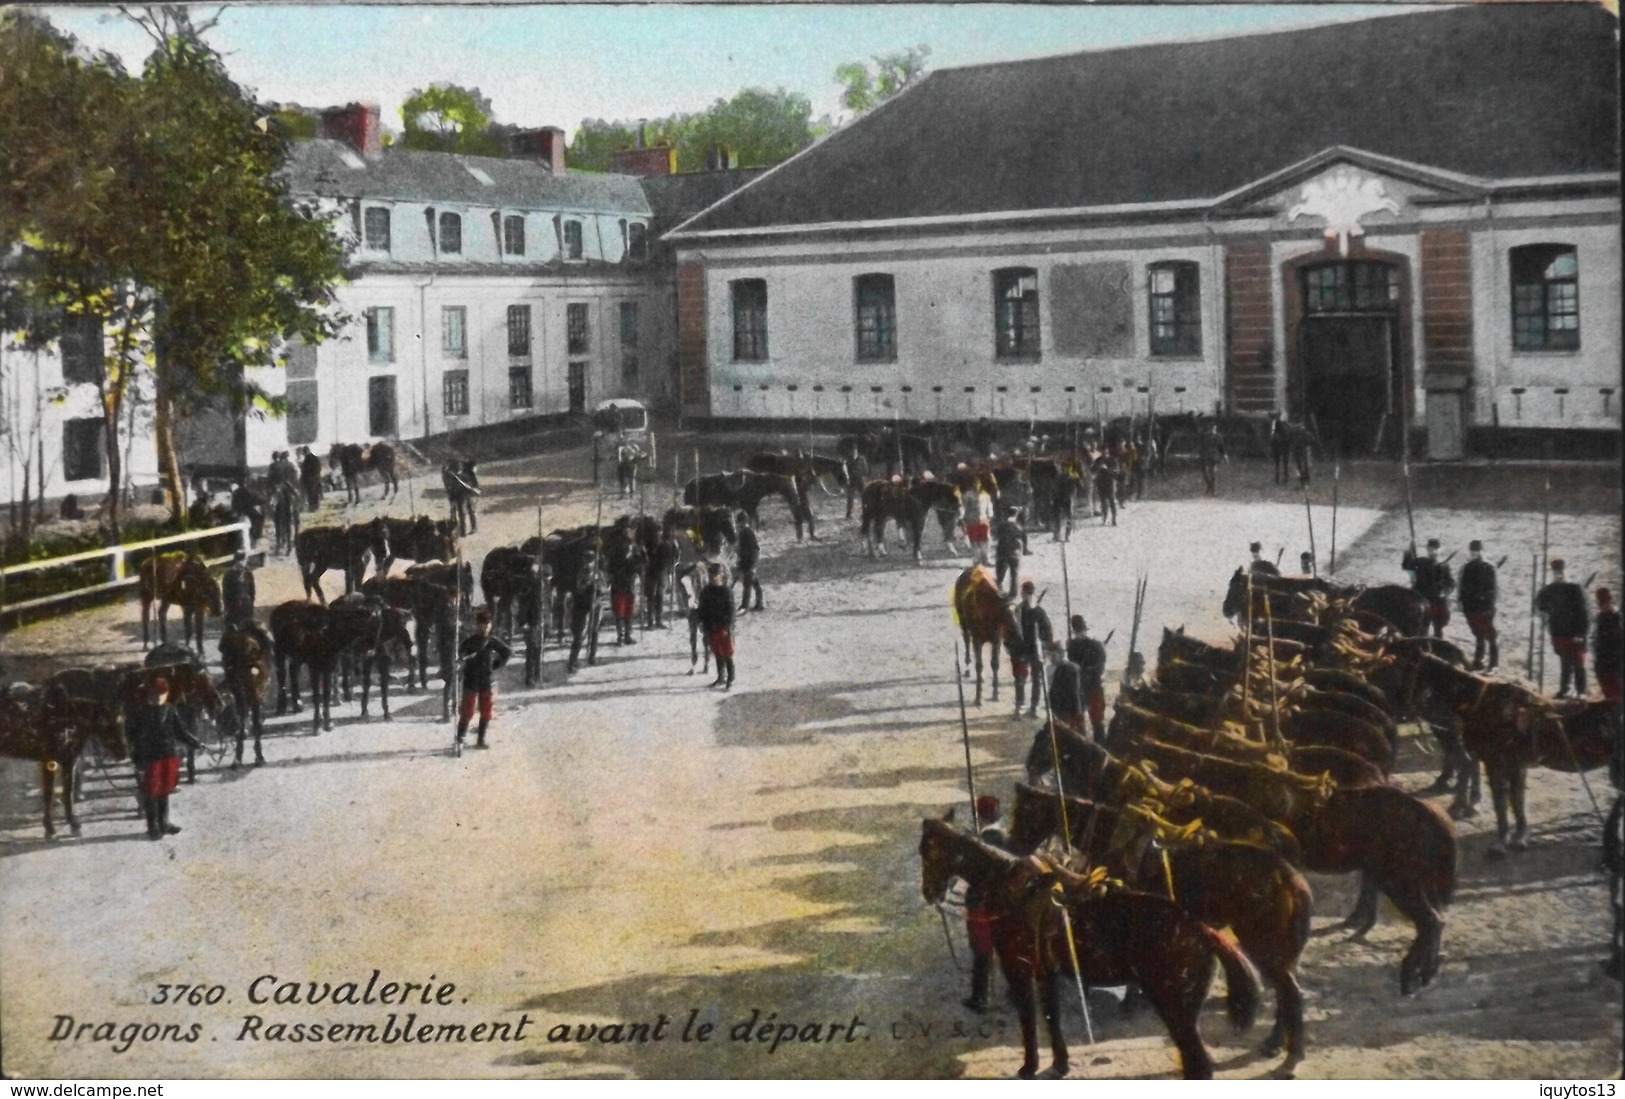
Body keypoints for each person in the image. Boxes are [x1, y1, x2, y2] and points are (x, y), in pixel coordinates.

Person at [128, 677, 203, 841]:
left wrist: (194, 741)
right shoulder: (141, 713)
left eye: (161, 694)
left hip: (169, 754)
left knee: (165, 789)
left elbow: (180, 731)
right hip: (150, 757)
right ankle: (152, 826)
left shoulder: (170, 710)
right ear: (148, 696)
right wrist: (137, 756)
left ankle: (164, 822)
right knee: (151, 791)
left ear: (166, 694)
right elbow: (133, 737)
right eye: (154, 695)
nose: (157, 698)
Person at [961, 794, 1007, 1013]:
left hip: (981, 905)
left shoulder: (982, 842)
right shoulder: (1006, 838)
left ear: (981, 816)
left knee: (982, 954)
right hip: (1003, 905)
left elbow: (970, 874)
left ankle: (980, 999)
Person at [455, 608, 511, 751]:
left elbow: (506, 652)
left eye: (487, 624)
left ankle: (480, 739)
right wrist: (461, 659)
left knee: (486, 710)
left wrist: (495, 665)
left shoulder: (492, 641)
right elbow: (461, 654)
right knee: (467, 711)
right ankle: (460, 738)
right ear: (477, 625)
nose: (485, 627)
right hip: (471, 680)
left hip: (486, 679)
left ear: (490, 625)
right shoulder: (470, 642)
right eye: (482, 624)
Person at [1535, 559, 1589, 699]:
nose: (1558, 574)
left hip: (1573, 632)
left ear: (1565, 571)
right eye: (1555, 572)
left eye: (1560, 571)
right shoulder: (1549, 589)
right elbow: (1540, 605)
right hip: (1558, 631)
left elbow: (1583, 612)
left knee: (1578, 662)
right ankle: (1565, 689)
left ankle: (1581, 691)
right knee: (1565, 661)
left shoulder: (1575, 588)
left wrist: (1581, 633)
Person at [1009, 580, 1053, 719]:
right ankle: (1026, 707)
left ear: (1023, 593)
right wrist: (1046, 646)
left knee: (1028, 679)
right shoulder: (1034, 610)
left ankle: (1027, 707)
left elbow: (1046, 631)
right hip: (1030, 649)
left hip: (1029, 649)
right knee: (1028, 679)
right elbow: (1048, 632)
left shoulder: (1023, 610)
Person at [1402, 538, 1455, 640]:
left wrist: (1444, 591)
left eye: (1435, 549)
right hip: (1422, 598)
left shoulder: (1444, 565)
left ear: (1440, 550)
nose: (1433, 552)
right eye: (1430, 549)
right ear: (1427, 549)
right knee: (1422, 628)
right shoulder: (1421, 561)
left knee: (1438, 628)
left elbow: (1451, 582)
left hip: (1437, 599)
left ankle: (1438, 644)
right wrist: (1409, 552)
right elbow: (1407, 566)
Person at [1458, 540, 1499, 671]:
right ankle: (1478, 660)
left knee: (1490, 635)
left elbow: (1494, 590)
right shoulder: (1466, 567)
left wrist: (1488, 603)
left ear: (1482, 551)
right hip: (1471, 607)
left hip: (1485, 607)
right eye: (1473, 551)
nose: (1475, 553)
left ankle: (1493, 664)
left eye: (1477, 551)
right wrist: (1462, 603)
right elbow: (1462, 588)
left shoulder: (1489, 568)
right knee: (1478, 634)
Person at [1067, 615, 1108, 740]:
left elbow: (1100, 665)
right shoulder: (1073, 645)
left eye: (1080, 630)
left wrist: (1088, 672)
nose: (1080, 633)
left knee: (1094, 722)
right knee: (1082, 722)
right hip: (1084, 687)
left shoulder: (1091, 645)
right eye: (1078, 630)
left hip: (1088, 686)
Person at [697, 563, 737, 689]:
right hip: (711, 627)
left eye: (716, 575)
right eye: (711, 575)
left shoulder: (726, 591)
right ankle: (721, 677)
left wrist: (727, 627)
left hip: (723, 628)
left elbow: (731, 611)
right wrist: (701, 622)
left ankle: (730, 678)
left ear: (721, 576)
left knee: (727, 654)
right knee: (717, 653)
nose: (714, 578)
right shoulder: (706, 591)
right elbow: (702, 608)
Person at [1045, 641, 1085, 735]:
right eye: (1049, 655)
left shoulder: (1070, 668)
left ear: (1061, 654)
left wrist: (1076, 714)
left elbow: (1075, 693)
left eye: (1054, 655)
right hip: (1058, 709)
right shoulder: (1051, 669)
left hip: (1069, 711)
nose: (1052, 658)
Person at [1592, 588, 1620, 702]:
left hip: (1606, 659)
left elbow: (1601, 640)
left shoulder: (1603, 617)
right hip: (1613, 658)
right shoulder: (1616, 615)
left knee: (1611, 691)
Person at [959, 467, 992, 565]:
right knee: (974, 541)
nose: (976, 485)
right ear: (972, 485)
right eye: (974, 484)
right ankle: (976, 560)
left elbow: (989, 507)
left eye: (978, 483)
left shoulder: (985, 495)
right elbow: (962, 507)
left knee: (986, 540)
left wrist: (989, 516)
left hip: (983, 520)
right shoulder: (967, 495)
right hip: (971, 520)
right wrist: (961, 517)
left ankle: (986, 559)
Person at [993, 506, 1025, 599]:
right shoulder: (1019, 526)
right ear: (1016, 514)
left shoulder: (1002, 525)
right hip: (1015, 552)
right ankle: (1013, 593)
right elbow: (1023, 539)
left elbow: (997, 535)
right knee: (1014, 573)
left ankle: (997, 589)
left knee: (1000, 573)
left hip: (1002, 551)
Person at [734, 511, 763, 612]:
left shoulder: (746, 532)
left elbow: (754, 549)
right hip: (748, 561)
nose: (738, 524)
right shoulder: (745, 531)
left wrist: (752, 565)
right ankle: (759, 604)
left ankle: (744, 606)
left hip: (749, 562)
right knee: (754, 583)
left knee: (747, 585)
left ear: (742, 522)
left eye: (739, 522)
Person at [220, 549, 256, 630]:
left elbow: (252, 590)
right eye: (244, 560)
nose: (245, 562)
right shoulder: (229, 575)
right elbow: (225, 593)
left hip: (246, 605)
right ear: (238, 561)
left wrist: (251, 603)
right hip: (234, 605)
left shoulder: (248, 573)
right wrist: (227, 607)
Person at [1198, 423, 1227, 496]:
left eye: (1214, 429)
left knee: (1212, 472)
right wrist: (1199, 453)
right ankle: (1209, 485)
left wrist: (1225, 455)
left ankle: (1213, 491)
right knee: (1203, 472)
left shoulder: (1218, 436)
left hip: (1213, 455)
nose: (1213, 430)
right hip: (1204, 455)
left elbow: (1222, 447)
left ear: (1216, 429)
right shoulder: (1204, 436)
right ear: (1208, 429)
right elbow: (1201, 445)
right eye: (1211, 429)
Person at [1092, 455, 1119, 527]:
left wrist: (1106, 469)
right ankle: (1105, 518)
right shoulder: (1098, 460)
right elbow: (1093, 470)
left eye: (1106, 452)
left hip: (1110, 483)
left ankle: (1114, 519)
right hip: (1101, 483)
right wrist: (1098, 468)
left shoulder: (1113, 460)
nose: (1105, 454)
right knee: (1103, 501)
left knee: (1112, 501)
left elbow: (1115, 473)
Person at [298, 446, 324, 511]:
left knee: (310, 494)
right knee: (315, 493)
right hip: (316, 478)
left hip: (309, 479)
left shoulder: (307, 459)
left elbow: (305, 470)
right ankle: (316, 506)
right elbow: (319, 468)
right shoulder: (316, 458)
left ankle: (312, 507)